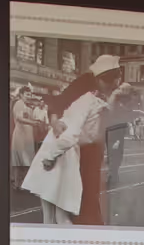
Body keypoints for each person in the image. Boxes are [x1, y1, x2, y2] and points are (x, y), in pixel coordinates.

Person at [35, 55, 128, 225]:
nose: (114, 85)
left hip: (88, 149)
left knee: (73, 200)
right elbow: (61, 106)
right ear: (99, 80)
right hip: (78, 149)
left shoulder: (101, 98)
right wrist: (56, 122)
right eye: (111, 82)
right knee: (72, 200)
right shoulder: (85, 96)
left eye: (117, 81)